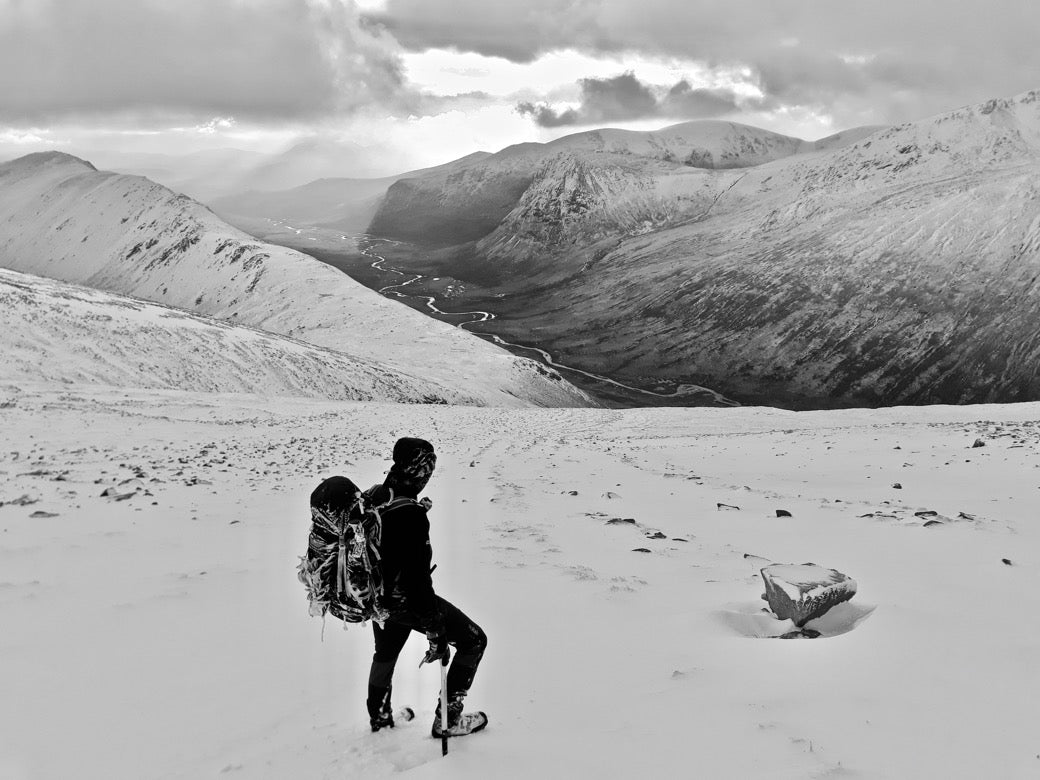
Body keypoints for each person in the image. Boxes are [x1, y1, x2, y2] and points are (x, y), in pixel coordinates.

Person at [366, 437, 488, 738]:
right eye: (427, 469)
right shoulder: (410, 515)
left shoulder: (374, 495)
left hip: (376, 599)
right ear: (418, 470)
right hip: (404, 601)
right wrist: (435, 629)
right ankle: (447, 720)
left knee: (385, 652)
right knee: (474, 641)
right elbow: (418, 584)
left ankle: (380, 718)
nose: (428, 476)